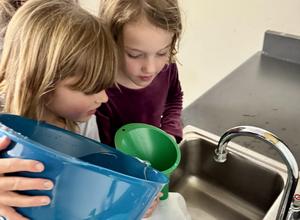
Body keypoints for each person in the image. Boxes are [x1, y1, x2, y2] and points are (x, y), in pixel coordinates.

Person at [0, 0, 117, 219]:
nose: (104, 97)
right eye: (90, 89)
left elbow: (97, 179)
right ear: (40, 82)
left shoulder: (84, 122)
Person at [96, 0, 184, 148]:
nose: (150, 68)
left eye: (162, 53)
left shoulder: (167, 68)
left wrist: (169, 130)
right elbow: (104, 148)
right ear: (112, 43)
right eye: (134, 55)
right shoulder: (101, 90)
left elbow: (174, 97)